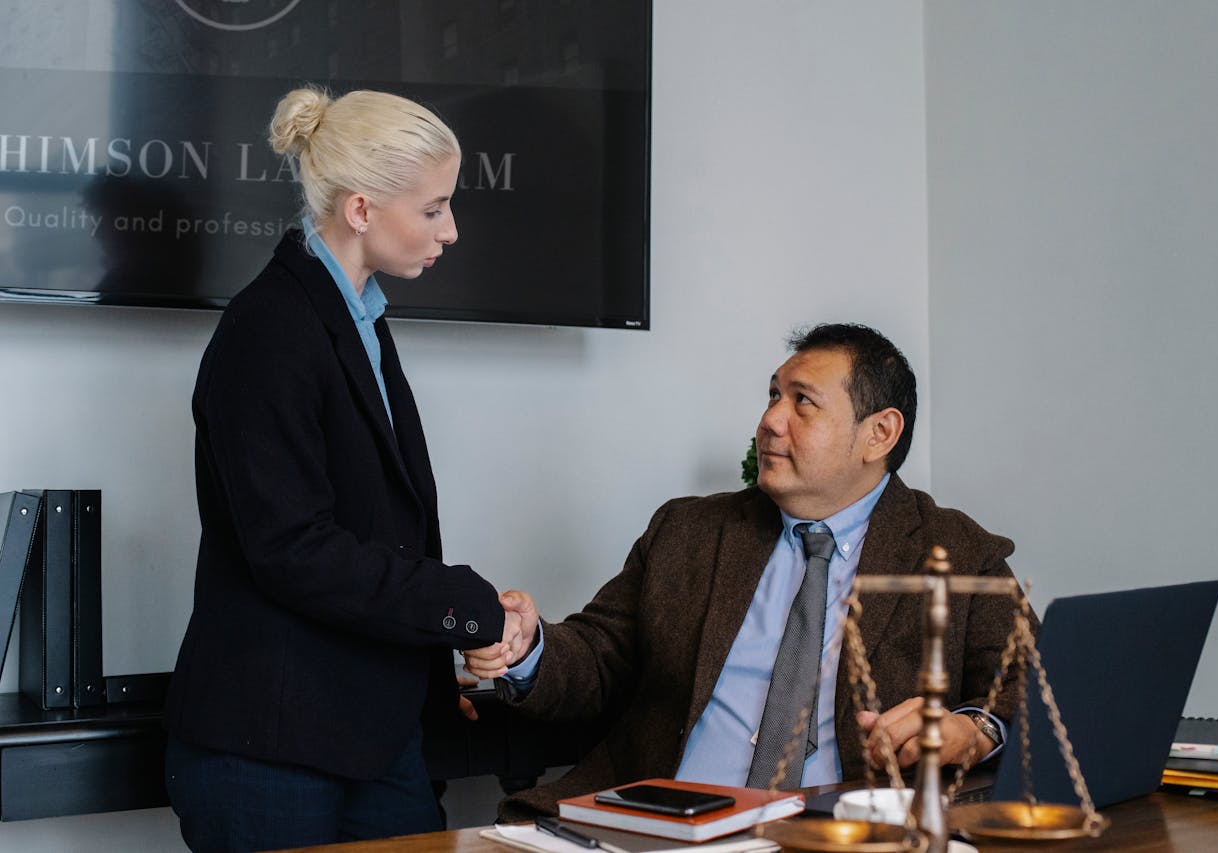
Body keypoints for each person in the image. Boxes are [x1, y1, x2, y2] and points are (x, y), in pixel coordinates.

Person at [463, 323, 1035, 819]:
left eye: (802, 402)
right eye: (772, 396)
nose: (769, 420)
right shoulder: (688, 531)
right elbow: (600, 655)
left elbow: (1029, 683)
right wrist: (528, 645)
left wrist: (972, 730)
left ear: (879, 433)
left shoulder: (955, 550)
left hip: (844, 835)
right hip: (661, 826)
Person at [164, 87, 522, 852]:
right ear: (361, 210)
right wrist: (461, 605)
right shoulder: (268, 331)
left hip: (369, 738)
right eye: (433, 208)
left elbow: (377, 530)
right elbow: (294, 548)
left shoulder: (356, 318)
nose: (451, 229)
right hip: (270, 752)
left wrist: (447, 648)